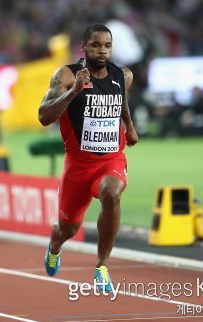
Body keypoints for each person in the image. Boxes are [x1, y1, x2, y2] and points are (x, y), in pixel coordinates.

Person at [38, 23, 138, 291]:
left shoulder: (123, 75)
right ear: (83, 47)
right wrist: (74, 92)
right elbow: (44, 116)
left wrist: (128, 126)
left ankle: (102, 265)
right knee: (68, 229)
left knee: (112, 192)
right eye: (95, 45)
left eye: (107, 46)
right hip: (78, 167)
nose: (102, 51)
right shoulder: (67, 76)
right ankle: (55, 245)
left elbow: (122, 99)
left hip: (110, 160)